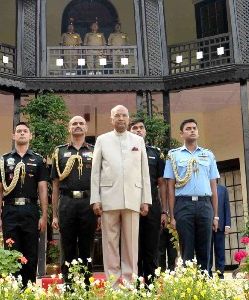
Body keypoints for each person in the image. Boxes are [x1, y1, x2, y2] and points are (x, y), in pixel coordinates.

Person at [90, 105, 151, 285]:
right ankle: (113, 285)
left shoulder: (138, 141)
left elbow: (144, 172)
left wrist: (145, 199)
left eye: (124, 115)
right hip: (109, 198)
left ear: (128, 118)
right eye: (117, 116)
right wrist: (96, 199)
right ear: (111, 119)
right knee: (110, 245)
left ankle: (129, 283)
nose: (121, 119)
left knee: (131, 245)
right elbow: (95, 172)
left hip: (133, 197)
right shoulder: (102, 140)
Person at [0, 122, 48, 288]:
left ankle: (28, 289)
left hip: (30, 210)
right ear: (13, 136)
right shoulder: (3, 160)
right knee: (11, 252)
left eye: (25, 131)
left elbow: (43, 190)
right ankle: (13, 291)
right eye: (19, 131)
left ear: (30, 136)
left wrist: (44, 216)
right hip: (9, 210)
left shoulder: (38, 160)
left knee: (31, 252)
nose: (22, 133)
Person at [165, 119, 219, 272]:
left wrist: (216, 216)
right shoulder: (173, 156)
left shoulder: (208, 155)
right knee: (186, 249)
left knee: (205, 249)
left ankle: (204, 285)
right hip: (184, 204)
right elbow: (170, 186)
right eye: (188, 129)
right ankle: (189, 285)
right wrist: (172, 216)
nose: (192, 131)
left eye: (194, 128)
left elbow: (213, 185)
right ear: (182, 134)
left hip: (204, 204)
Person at [50, 115, 98, 284]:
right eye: (74, 124)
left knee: (87, 247)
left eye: (81, 123)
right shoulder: (60, 152)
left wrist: (99, 210)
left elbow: (100, 182)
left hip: (88, 203)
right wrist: (54, 215)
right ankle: (68, 286)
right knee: (67, 246)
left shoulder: (95, 150)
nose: (78, 126)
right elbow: (55, 185)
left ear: (86, 128)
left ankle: (85, 287)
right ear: (69, 128)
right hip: (67, 203)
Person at [129, 118, 168, 283]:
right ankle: (136, 288)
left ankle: (150, 287)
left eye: (141, 128)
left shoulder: (155, 153)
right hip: (131, 203)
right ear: (130, 132)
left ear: (145, 131)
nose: (138, 130)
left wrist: (164, 211)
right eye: (135, 128)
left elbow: (162, 184)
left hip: (152, 204)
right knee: (134, 249)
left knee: (152, 249)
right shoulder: (125, 151)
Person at [209, 182, 231, 277]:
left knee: (220, 250)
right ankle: (208, 273)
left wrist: (227, 225)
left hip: (221, 225)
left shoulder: (223, 189)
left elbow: (227, 207)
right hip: (206, 225)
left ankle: (220, 273)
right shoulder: (204, 188)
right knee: (207, 251)